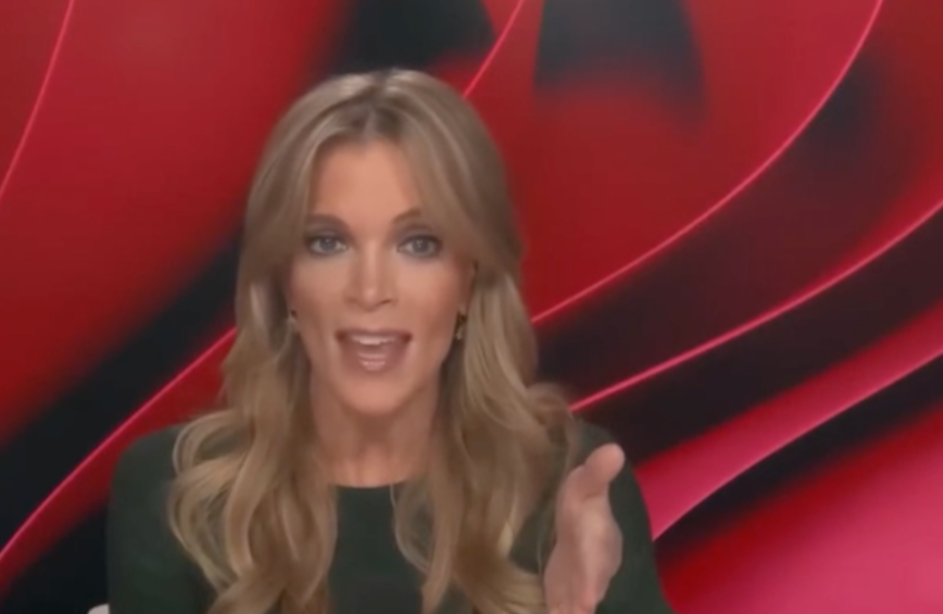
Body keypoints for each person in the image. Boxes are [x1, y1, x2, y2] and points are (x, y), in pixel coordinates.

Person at [106, 68, 675, 614]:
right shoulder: (175, 494)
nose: (371, 289)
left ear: (469, 280)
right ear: (284, 281)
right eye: (327, 243)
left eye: (419, 244)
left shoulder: (568, 488)